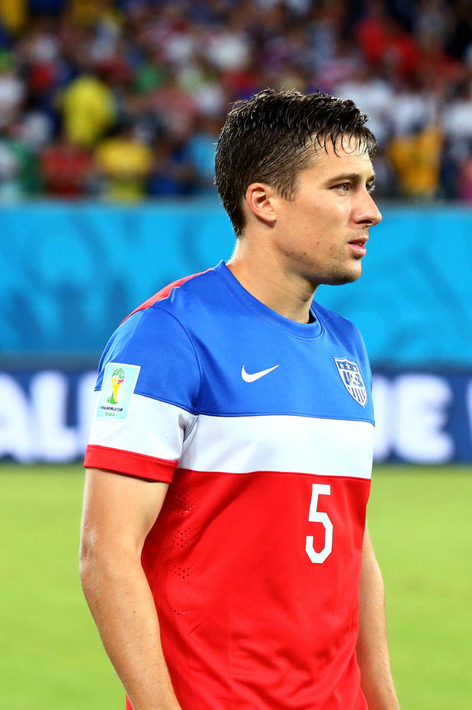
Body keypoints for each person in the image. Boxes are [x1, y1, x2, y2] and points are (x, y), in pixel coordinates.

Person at [79, 89, 400, 710]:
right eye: (342, 187)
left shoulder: (346, 344)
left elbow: (351, 545)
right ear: (264, 202)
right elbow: (107, 552)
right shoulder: (167, 336)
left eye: (368, 185)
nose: (370, 211)